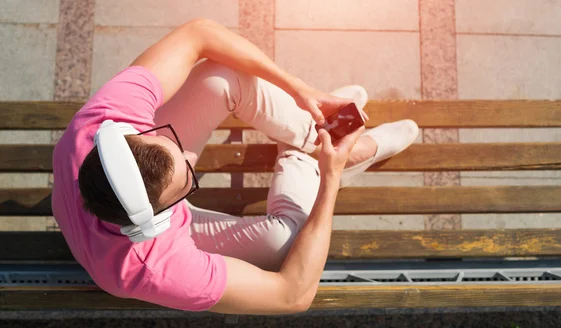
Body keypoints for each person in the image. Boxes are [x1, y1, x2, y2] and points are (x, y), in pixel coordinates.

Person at [52, 18, 419, 314]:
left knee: (220, 77)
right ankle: (312, 157)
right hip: (145, 238)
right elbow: (292, 295)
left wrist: (298, 89)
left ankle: (314, 134)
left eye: (168, 140)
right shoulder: (151, 266)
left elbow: (198, 34)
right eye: (188, 176)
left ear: (130, 137)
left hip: (130, 202)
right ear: (163, 215)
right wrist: (331, 179)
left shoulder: (100, 124)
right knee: (286, 242)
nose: (189, 153)